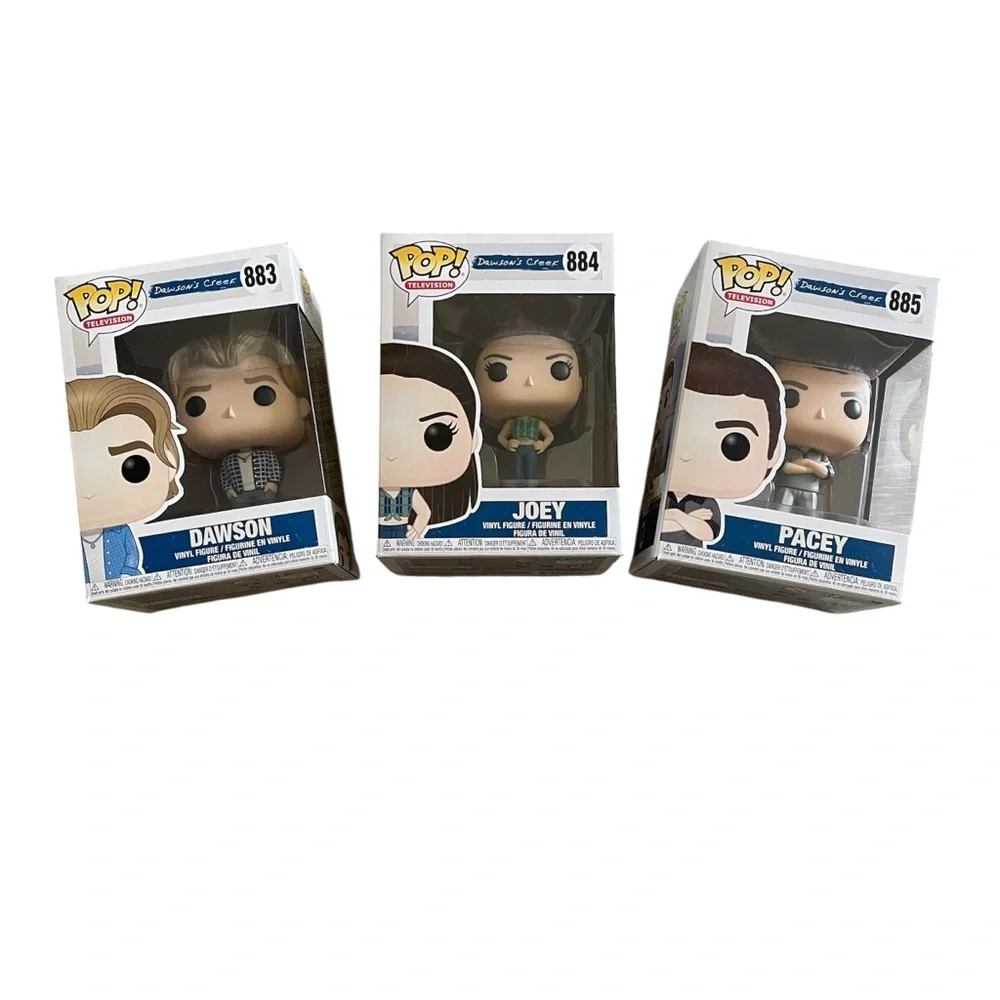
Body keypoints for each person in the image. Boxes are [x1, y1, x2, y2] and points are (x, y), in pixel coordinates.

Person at [167, 329, 311, 507]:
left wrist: (271, 486)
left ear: (302, 405)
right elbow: (225, 477)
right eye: (197, 405)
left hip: (267, 493)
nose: (231, 412)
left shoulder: (268, 457)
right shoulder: (228, 462)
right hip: (237, 499)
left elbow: (274, 470)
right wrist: (230, 491)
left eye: (263, 395)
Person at [661, 343, 783, 547]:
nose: (687, 454)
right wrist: (686, 519)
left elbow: (708, 533)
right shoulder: (658, 496)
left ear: (773, 454)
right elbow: (657, 525)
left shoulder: (706, 503)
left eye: (735, 446)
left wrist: (675, 516)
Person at [66, 375, 184, 582]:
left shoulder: (120, 532)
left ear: (170, 462)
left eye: (135, 467)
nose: (89, 493)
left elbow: (131, 555)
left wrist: (128, 573)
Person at [379, 342, 481, 538]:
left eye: (438, 435)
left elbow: (424, 512)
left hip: (401, 531)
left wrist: (416, 530)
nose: (392, 454)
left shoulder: (410, 494)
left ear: (472, 440)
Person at [770, 361, 871, 512]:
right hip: (786, 486)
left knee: (809, 516)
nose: (821, 414)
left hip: (811, 491)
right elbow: (785, 468)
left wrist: (806, 464)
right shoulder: (786, 452)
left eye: (851, 407)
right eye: (791, 397)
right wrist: (811, 467)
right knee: (778, 512)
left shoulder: (821, 456)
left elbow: (827, 474)